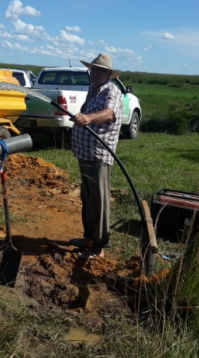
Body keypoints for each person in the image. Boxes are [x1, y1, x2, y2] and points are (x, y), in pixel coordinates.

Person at [69, 53, 123, 259]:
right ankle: (88, 238)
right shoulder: (93, 90)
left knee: (99, 200)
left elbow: (110, 113)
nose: (95, 73)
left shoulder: (112, 91)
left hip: (99, 155)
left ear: (108, 74)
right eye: (93, 69)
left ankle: (99, 246)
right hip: (85, 153)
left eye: (100, 70)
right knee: (88, 197)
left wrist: (89, 118)